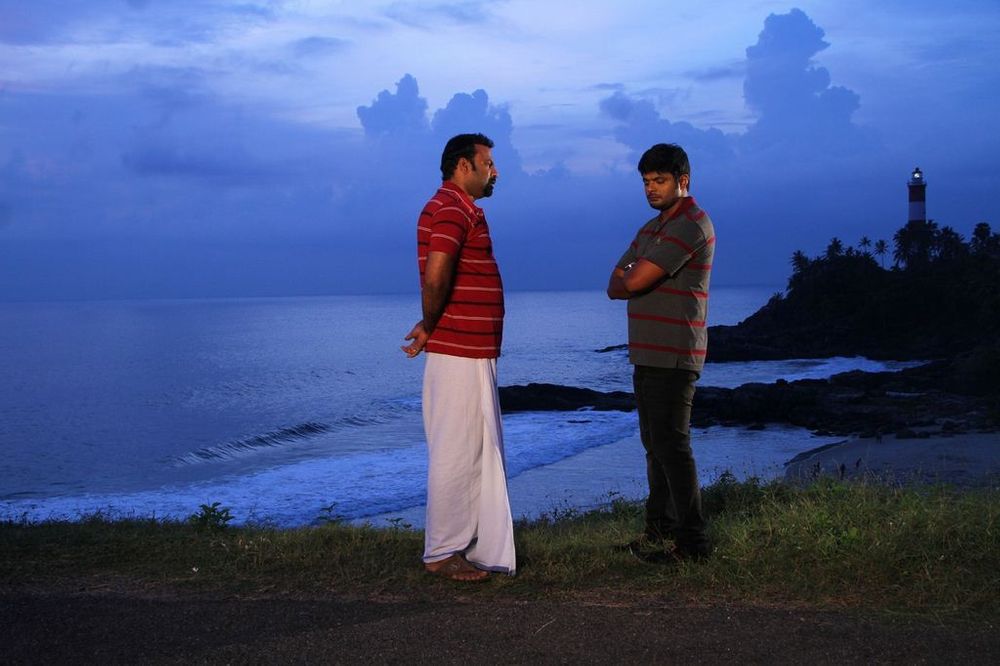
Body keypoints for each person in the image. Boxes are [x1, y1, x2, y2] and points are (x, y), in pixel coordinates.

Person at [401, 133, 516, 581]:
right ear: (464, 166)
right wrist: (431, 324)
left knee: (472, 449)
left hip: (469, 348)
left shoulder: (459, 208)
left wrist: (431, 323)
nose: (495, 171)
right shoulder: (451, 208)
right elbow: (436, 275)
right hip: (460, 350)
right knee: (457, 451)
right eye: (488, 163)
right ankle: (442, 552)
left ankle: (466, 543)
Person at [606, 143, 715, 562]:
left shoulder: (692, 224)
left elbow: (631, 282)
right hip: (646, 352)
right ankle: (659, 531)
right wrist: (633, 275)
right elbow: (613, 283)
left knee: (672, 446)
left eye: (660, 181)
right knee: (655, 445)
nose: (651, 188)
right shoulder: (651, 229)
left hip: (675, 352)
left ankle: (693, 543)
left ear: (682, 181)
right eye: (647, 182)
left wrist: (635, 275)